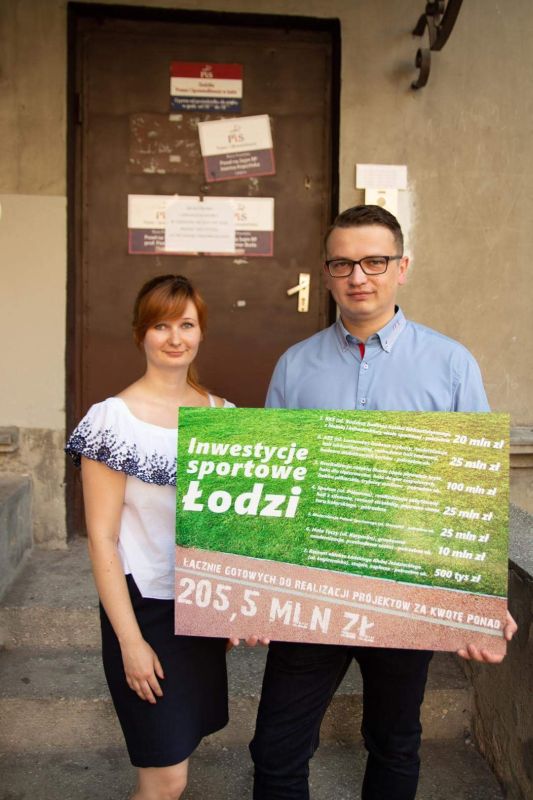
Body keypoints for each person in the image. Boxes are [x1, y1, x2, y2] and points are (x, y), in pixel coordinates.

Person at [249, 205, 517, 800]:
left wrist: (481, 598)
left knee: (394, 741)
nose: (358, 277)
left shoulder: (451, 364)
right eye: (342, 263)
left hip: (405, 585)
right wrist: (256, 593)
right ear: (326, 273)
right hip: (314, 588)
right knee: (275, 747)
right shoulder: (295, 365)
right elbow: (275, 486)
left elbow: (473, 482)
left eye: (374, 261)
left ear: (402, 267)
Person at [66, 274, 235, 800]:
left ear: (201, 331)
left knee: (181, 750)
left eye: (186, 324)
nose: (175, 338)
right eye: (161, 326)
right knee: (165, 777)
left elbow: (228, 529)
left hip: (199, 606)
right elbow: (101, 539)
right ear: (141, 333)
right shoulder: (112, 421)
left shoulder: (223, 417)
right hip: (144, 610)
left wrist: (235, 606)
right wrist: (130, 642)